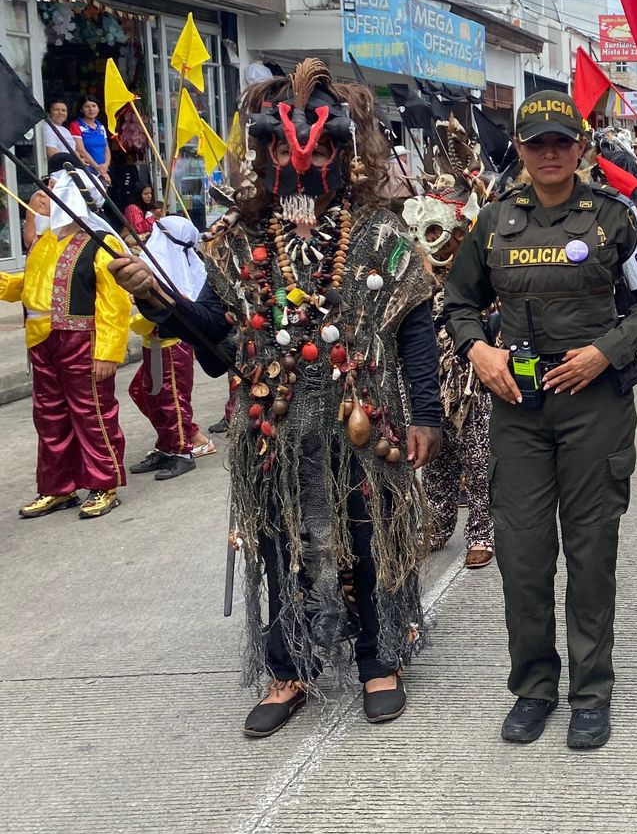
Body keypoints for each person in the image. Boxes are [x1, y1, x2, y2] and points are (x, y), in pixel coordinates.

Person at [111, 58, 443, 736]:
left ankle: (381, 659)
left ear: (344, 155)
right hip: (276, 428)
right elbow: (218, 349)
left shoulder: (380, 236)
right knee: (281, 539)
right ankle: (289, 667)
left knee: (368, 533)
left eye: (320, 148)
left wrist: (429, 415)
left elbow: (413, 328)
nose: (302, 163)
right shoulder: (238, 243)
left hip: (363, 415)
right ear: (265, 157)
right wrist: (160, 300)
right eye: (287, 150)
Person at [443, 91, 637, 751]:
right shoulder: (492, 223)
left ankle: (591, 692)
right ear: (517, 149)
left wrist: (605, 352)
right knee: (522, 553)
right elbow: (458, 301)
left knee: (591, 551)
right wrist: (476, 349)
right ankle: (534, 687)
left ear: (582, 147)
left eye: (561, 142)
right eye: (536, 142)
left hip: (593, 407)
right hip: (517, 407)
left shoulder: (614, 218)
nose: (549, 152)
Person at [8, 173, 130, 521]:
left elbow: (115, 301)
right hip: (42, 340)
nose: (40, 198)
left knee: (92, 413)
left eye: (50, 192)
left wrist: (107, 352)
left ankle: (104, 483)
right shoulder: (45, 242)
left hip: (82, 341)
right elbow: (31, 283)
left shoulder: (100, 241)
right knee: (49, 416)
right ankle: (56, 487)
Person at [404, 177, 495, 571]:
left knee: (478, 456)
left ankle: (481, 531)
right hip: (429, 379)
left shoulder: (478, 273)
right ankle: (437, 525)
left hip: (472, 379)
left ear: (460, 234)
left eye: (437, 233)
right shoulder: (415, 279)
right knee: (435, 458)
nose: (428, 243)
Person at [126, 215, 214, 481]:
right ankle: (166, 445)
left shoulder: (180, 271)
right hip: (152, 344)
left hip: (171, 346)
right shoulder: (156, 263)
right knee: (151, 394)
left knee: (171, 399)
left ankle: (181, 451)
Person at [70, 97, 111, 184]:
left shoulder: (101, 127)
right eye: (87, 106)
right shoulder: (76, 126)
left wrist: (106, 165)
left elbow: (106, 149)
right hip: (86, 171)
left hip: (103, 171)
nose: (91, 109)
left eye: (94, 106)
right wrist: (98, 169)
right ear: (81, 109)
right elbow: (80, 150)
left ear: (98, 109)